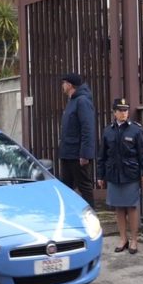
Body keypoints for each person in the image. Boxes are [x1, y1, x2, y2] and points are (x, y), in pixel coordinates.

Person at [97, 98, 143, 254]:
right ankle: (123, 238)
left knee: (132, 207)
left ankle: (134, 239)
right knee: (119, 208)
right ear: (114, 112)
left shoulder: (136, 130)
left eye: (126, 110)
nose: (123, 113)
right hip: (114, 174)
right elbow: (102, 155)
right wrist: (100, 175)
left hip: (131, 174)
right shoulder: (108, 131)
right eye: (120, 110)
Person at [58, 72, 97, 206]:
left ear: (69, 85)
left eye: (63, 83)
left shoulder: (82, 101)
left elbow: (88, 128)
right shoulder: (72, 101)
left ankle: (91, 217)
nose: (62, 86)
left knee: (84, 187)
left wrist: (85, 154)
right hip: (68, 153)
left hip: (77, 154)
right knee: (66, 188)